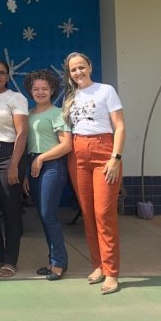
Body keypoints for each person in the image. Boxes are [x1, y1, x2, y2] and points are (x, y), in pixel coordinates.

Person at [62, 52, 126, 295]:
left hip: (103, 153)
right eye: (73, 70)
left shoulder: (105, 90)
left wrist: (115, 158)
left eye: (81, 67)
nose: (78, 72)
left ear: (89, 66)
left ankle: (112, 272)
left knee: (104, 214)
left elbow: (119, 126)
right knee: (88, 214)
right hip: (78, 156)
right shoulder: (70, 97)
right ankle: (98, 265)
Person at [23, 69, 72, 281]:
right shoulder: (29, 114)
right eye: (36, 89)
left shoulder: (57, 113)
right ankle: (53, 260)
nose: (40, 92)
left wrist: (41, 159)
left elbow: (66, 145)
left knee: (48, 214)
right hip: (34, 166)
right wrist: (27, 172)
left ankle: (60, 262)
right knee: (43, 216)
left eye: (45, 88)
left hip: (52, 165)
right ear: (30, 91)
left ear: (52, 90)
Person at [0, 59, 29, 278]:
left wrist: (14, 165)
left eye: (2, 72)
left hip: (9, 154)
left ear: (8, 75)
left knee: (11, 210)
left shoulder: (16, 98)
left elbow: (22, 133)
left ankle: (10, 259)